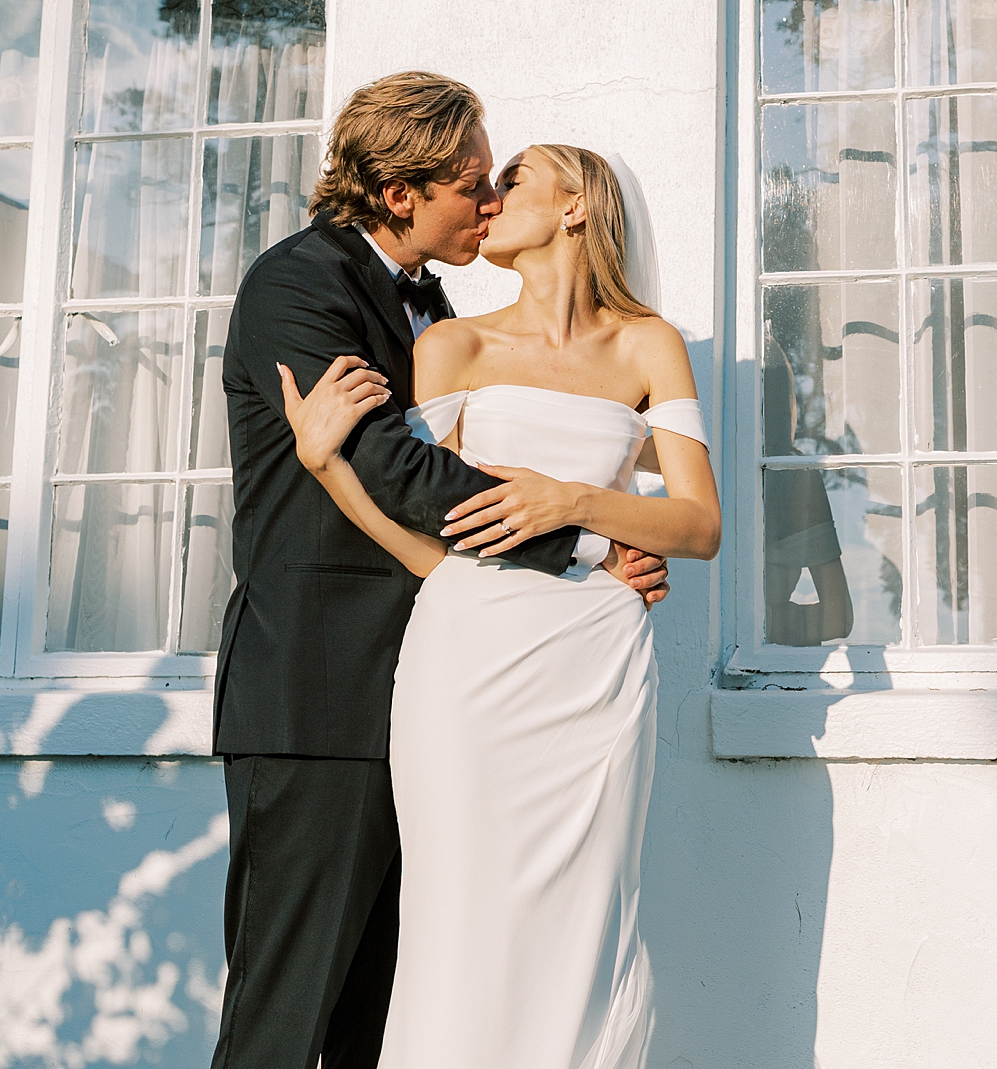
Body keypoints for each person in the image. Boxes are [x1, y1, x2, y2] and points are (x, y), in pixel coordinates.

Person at [211, 73, 669, 1069]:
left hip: (442, 698)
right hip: (319, 696)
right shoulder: (302, 283)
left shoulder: (431, 304)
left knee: (389, 1017)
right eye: (470, 185)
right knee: (286, 1019)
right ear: (395, 194)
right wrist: (586, 550)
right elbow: (393, 463)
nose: (488, 203)